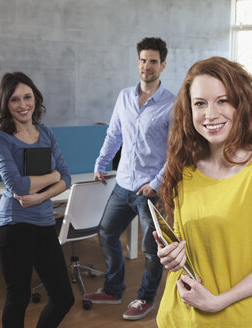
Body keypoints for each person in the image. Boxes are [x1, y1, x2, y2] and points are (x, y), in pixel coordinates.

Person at [155, 56, 252, 327]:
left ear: (240, 105)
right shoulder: (186, 166)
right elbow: (183, 237)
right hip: (175, 316)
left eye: (222, 100)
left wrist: (219, 301)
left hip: (232, 318)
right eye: (200, 103)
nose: (210, 114)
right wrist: (172, 254)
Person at [84, 37, 175, 321]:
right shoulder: (124, 96)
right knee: (106, 232)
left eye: (153, 61)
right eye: (143, 60)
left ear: (163, 65)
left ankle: (145, 298)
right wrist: (101, 163)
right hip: (123, 184)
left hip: (151, 191)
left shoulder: (173, 104)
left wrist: (157, 183)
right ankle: (113, 289)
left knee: (152, 251)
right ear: (137, 62)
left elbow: (176, 153)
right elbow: (114, 134)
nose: (147, 66)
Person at [0, 72, 75, 328]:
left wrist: (40, 197)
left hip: (44, 222)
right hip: (14, 224)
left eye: (28, 97)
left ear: (35, 98)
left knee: (63, 297)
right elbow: (16, 184)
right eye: (15, 99)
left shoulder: (45, 133)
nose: (23, 104)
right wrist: (52, 176)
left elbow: (67, 177)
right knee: (19, 297)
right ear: (5, 103)